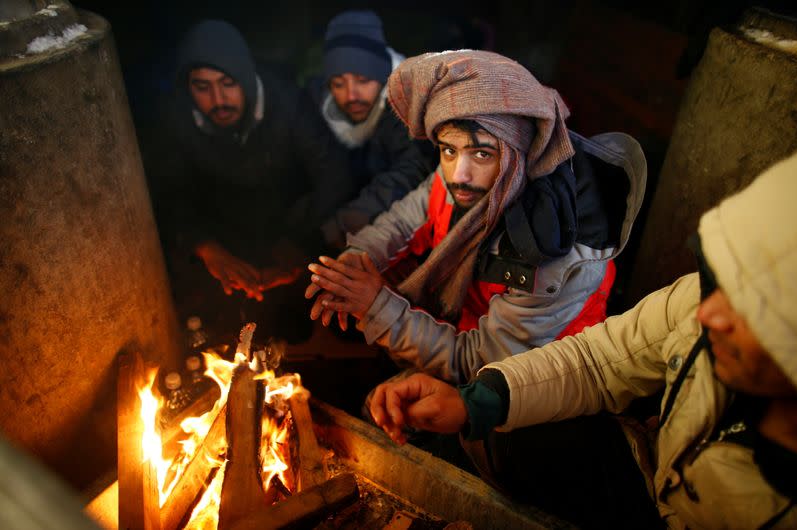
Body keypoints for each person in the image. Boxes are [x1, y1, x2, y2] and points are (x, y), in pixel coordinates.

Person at [369, 151, 797, 529]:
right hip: (656, 472)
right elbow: (599, 361)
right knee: (500, 436)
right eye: (717, 280)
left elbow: (480, 350)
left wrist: (378, 308)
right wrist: (472, 403)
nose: (709, 314)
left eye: (748, 305)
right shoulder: (697, 299)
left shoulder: (555, 252)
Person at [306, 50, 647, 386]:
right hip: (466, 321)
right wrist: (352, 265)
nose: (459, 174)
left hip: (532, 384)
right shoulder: (462, 177)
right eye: (448, 150)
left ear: (518, 155)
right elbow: (401, 222)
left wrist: (377, 306)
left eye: (482, 153)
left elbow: (483, 363)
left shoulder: (557, 252)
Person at [143, 19, 354, 340]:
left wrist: (299, 245)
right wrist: (205, 246)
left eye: (228, 83)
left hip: (290, 226)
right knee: (220, 331)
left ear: (245, 77)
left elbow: (334, 174)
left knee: (297, 327)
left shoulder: (288, 104)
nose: (217, 99)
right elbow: (166, 191)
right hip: (222, 232)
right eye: (202, 87)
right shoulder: (176, 118)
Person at [308, 10, 437, 249]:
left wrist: (348, 219)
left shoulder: (408, 106)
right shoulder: (317, 105)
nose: (350, 96)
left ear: (383, 76)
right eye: (338, 84)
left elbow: (412, 167)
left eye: (363, 80)